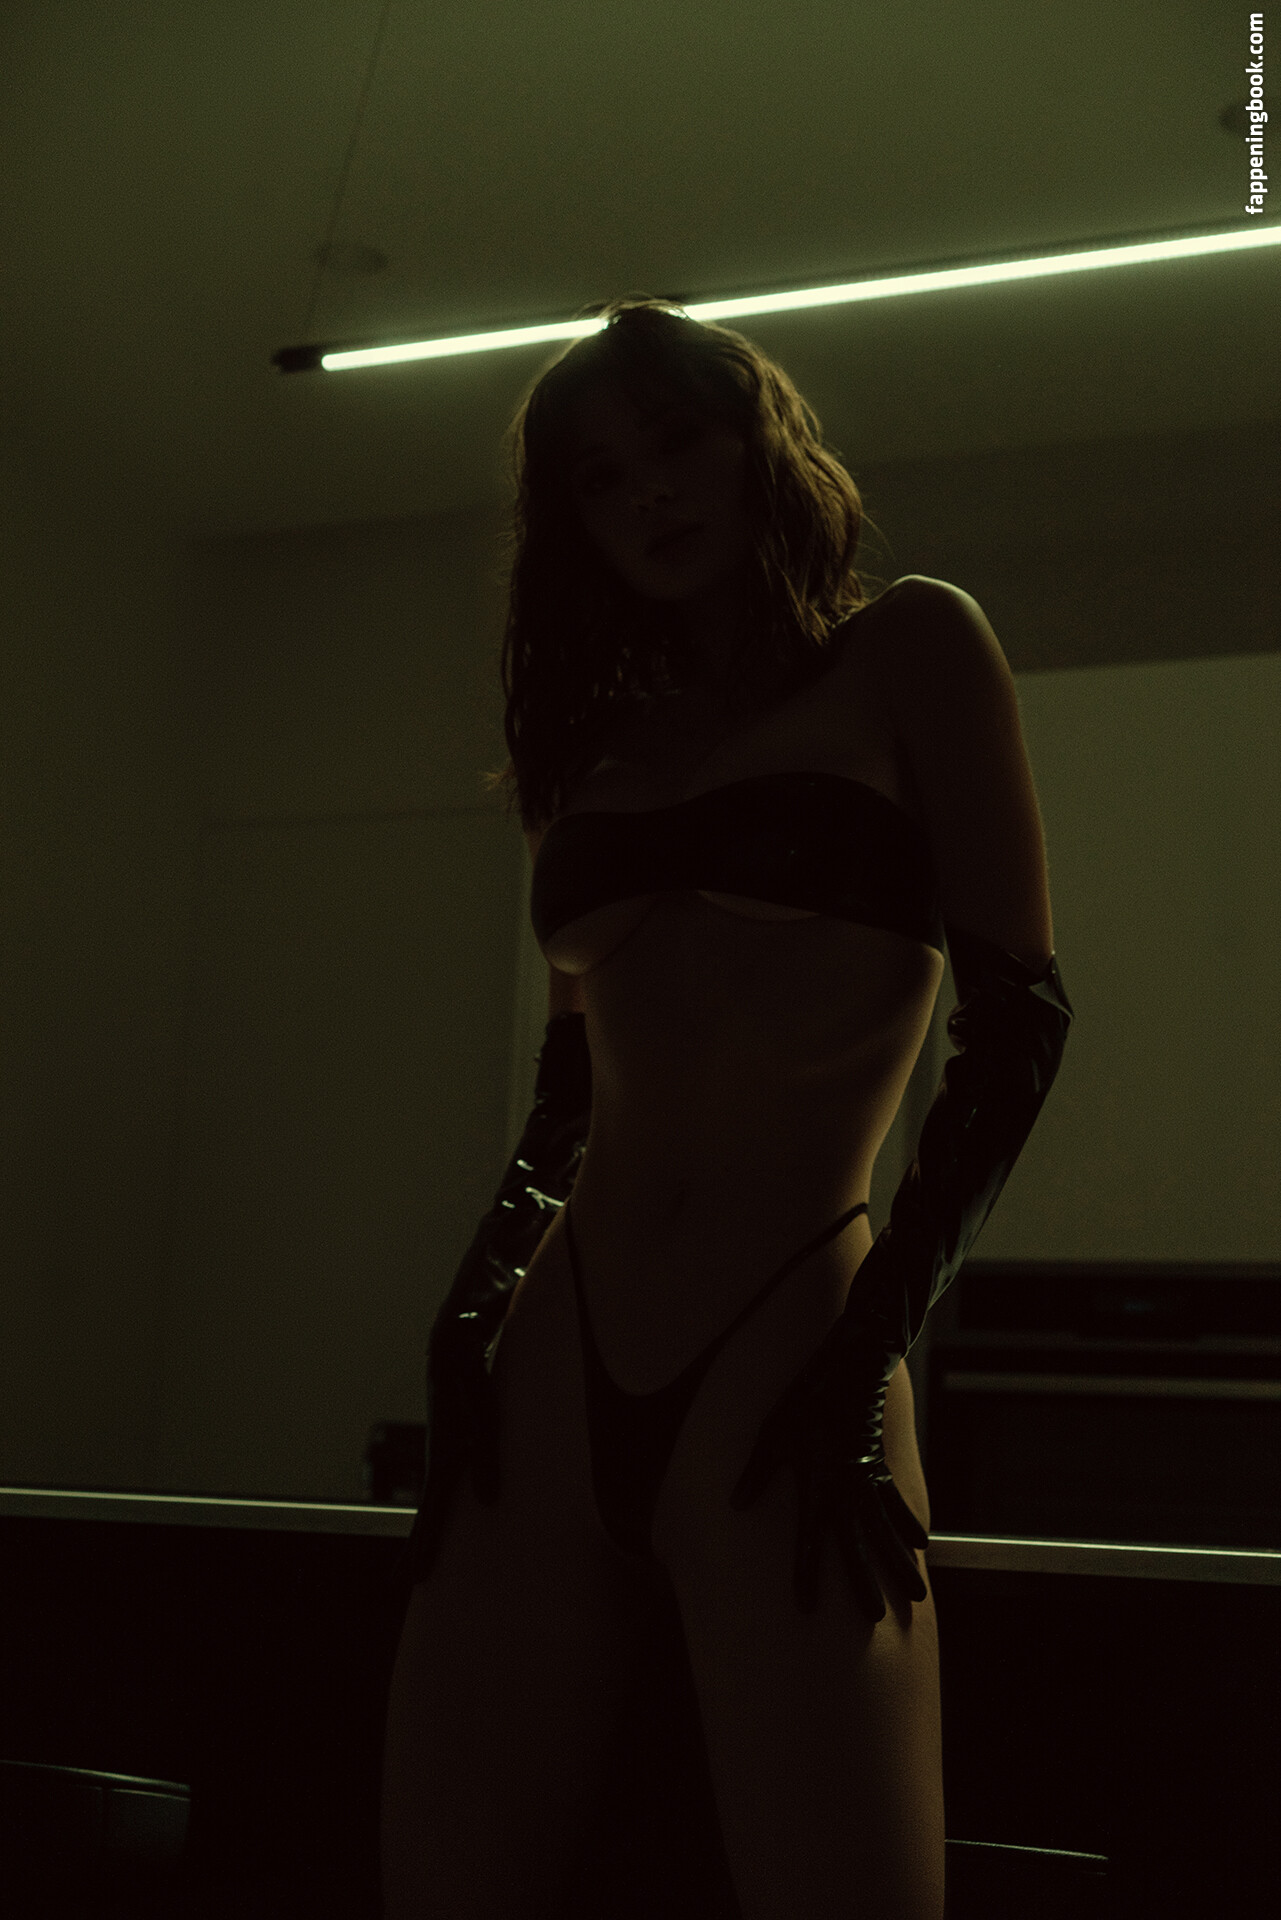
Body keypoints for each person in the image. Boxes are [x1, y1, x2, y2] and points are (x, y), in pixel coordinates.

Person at [380, 297, 1073, 1920]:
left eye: (675, 441)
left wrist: (866, 1353)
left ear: (757, 442)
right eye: (599, 476)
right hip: (554, 1354)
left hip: (786, 1339)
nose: (647, 492)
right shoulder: (593, 749)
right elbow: (572, 1084)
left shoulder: (910, 648)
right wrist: (470, 1311)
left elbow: (1017, 1026)